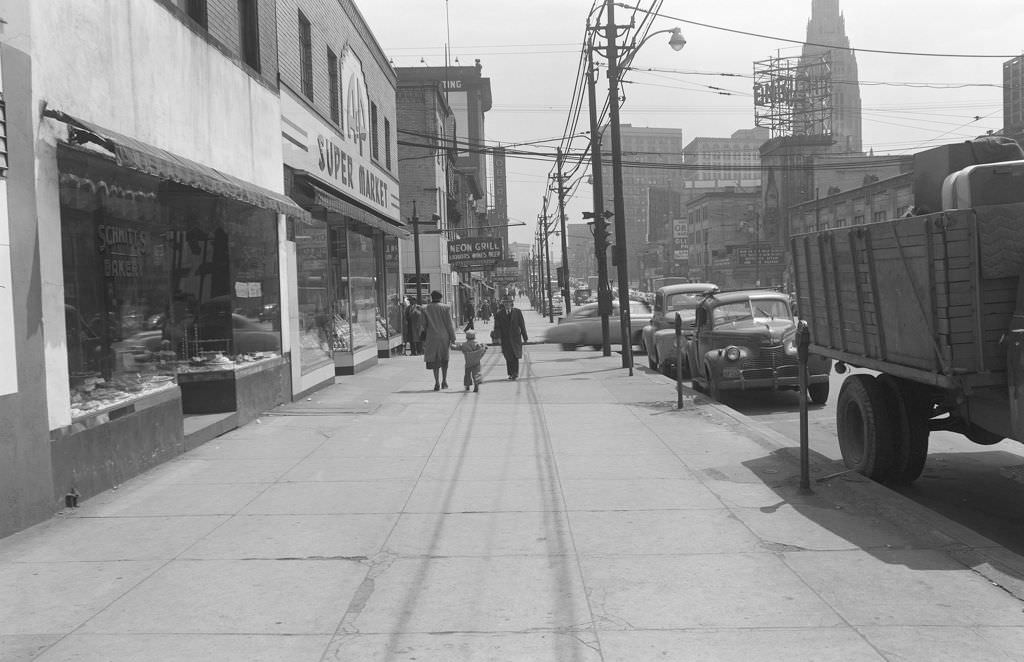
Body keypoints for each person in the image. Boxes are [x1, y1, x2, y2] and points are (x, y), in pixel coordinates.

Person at [421, 290, 457, 390]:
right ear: (441, 297)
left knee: (434, 360)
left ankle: (436, 382)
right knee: (444, 359)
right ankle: (444, 381)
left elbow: (423, 324)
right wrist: (453, 337)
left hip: (431, 337)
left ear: (431, 297)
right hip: (444, 337)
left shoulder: (425, 308)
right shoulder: (445, 308)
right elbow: (449, 324)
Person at [494, 294, 528, 380]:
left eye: (509, 302)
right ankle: (510, 373)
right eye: (505, 303)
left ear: (511, 303)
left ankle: (515, 373)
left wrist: (525, 337)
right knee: (508, 356)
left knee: (515, 356)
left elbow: (522, 325)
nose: (507, 304)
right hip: (505, 339)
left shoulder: (517, 312)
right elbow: (497, 327)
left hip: (516, 338)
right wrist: (497, 338)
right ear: (503, 304)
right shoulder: (499, 314)